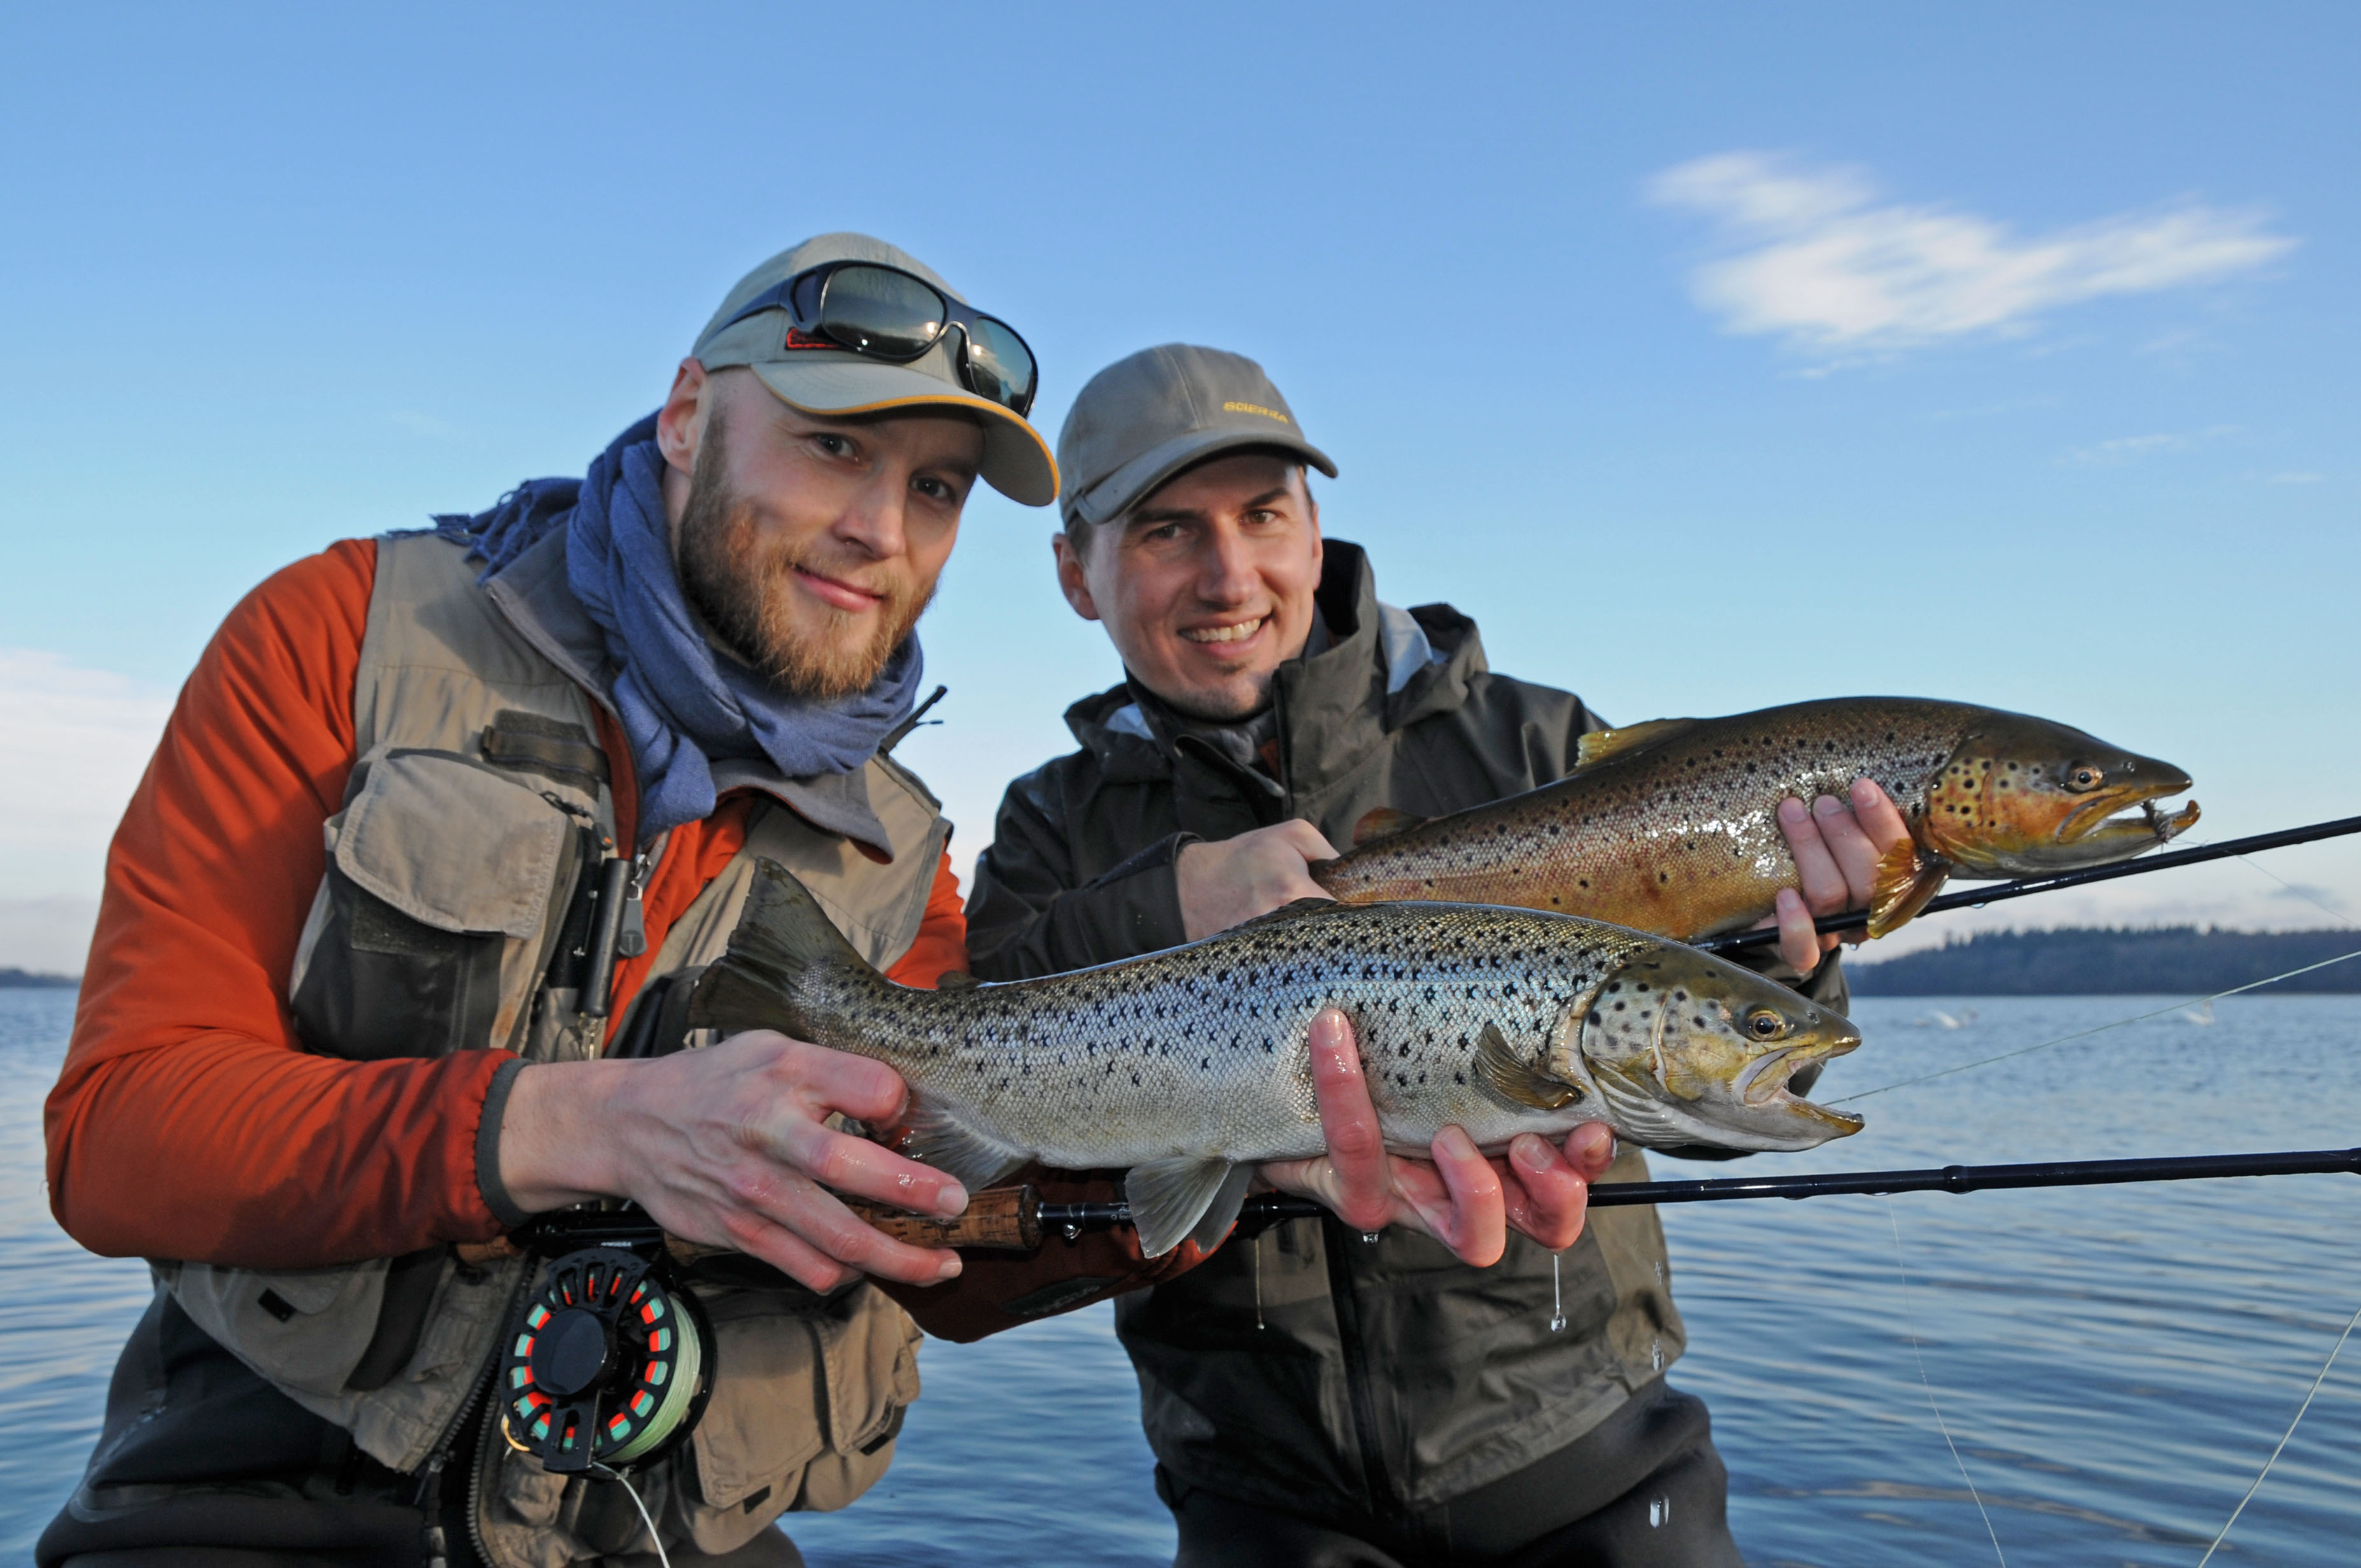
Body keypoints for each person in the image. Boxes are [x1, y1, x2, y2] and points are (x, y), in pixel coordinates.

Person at [36, 232, 1063, 1568]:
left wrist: (1221, 1152)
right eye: (832, 446)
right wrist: (585, 1126)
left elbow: (950, 1236)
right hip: (255, 1496)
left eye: (935, 488)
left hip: (666, 1528)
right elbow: (118, 1134)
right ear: (687, 415)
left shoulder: (903, 850)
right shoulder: (338, 633)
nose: (882, 530)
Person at [963, 344, 1910, 1567]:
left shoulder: (1542, 750)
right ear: (1073, 574)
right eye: (1165, 530)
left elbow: (1716, 1085)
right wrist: (1167, 900)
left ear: (1315, 532)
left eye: (1263, 515)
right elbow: (976, 1059)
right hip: (1253, 1495)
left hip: (1589, 1460)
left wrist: (1787, 966)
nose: (1228, 574)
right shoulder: (1050, 825)